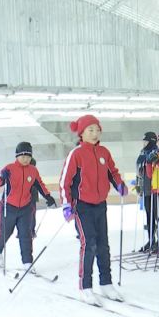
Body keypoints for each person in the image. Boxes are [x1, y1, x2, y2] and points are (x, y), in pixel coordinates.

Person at [59, 114, 128, 306]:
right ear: (81, 133)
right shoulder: (77, 154)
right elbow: (65, 180)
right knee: (88, 244)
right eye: (90, 130)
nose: (95, 133)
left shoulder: (104, 152)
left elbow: (112, 172)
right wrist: (66, 204)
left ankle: (106, 283)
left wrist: (119, 185)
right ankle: (85, 286)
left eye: (97, 129)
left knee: (103, 245)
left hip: (100, 205)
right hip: (82, 206)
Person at [0, 142, 56, 270]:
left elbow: (40, 184)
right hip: (9, 206)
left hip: (25, 208)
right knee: (6, 232)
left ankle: (27, 261)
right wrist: (2, 176)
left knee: (25, 235)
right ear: (17, 156)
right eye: (23, 156)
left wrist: (48, 196)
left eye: (28, 156)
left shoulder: (33, 170)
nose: (26, 159)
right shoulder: (9, 168)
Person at [136, 132, 157, 250]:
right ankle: (151, 240)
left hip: (154, 189)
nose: (144, 143)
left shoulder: (154, 153)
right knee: (149, 215)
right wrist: (138, 185)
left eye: (146, 141)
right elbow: (138, 171)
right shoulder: (142, 153)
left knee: (156, 215)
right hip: (145, 189)